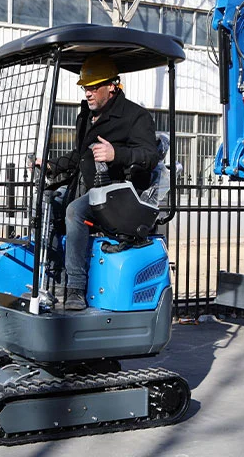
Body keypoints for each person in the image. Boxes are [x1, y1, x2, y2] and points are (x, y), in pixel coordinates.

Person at [49, 55, 161, 310]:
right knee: (47, 202)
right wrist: (51, 165)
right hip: (91, 188)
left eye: (93, 87)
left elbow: (150, 156)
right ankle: (53, 275)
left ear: (111, 86)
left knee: (75, 211)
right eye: (85, 88)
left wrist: (115, 154)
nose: (88, 93)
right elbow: (81, 156)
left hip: (120, 195)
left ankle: (75, 287)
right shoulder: (86, 116)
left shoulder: (135, 116)